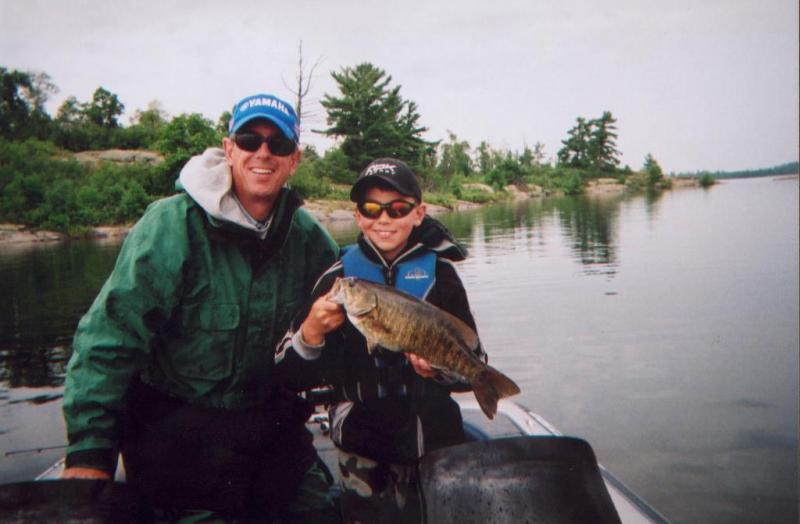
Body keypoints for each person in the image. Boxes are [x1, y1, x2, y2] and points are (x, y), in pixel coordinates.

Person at [61, 93, 340, 522]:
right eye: (249, 140)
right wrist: (90, 452)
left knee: (319, 513)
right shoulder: (169, 225)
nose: (263, 153)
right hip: (177, 433)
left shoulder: (311, 239)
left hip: (267, 427)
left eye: (279, 144)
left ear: (294, 160)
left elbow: (350, 329)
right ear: (229, 149)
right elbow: (108, 340)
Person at [275, 158, 487, 523]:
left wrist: (439, 370)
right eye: (372, 209)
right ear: (358, 216)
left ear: (418, 214)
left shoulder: (443, 275)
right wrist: (311, 331)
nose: (384, 218)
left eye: (398, 208)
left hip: (433, 440)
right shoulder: (338, 278)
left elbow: (473, 363)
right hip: (362, 444)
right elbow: (288, 373)